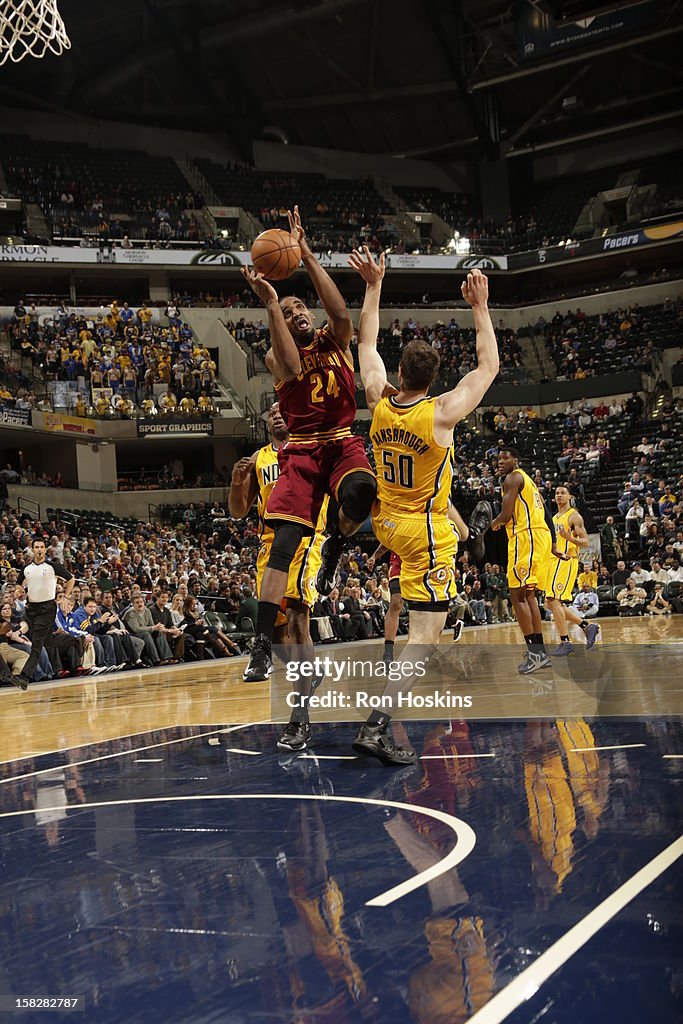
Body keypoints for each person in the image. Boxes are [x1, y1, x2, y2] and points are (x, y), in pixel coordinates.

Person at [349, 251, 499, 765]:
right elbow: (488, 366)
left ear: (399, 372)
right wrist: (479, 306)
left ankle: (382, 717)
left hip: (385, 522)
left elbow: (364, 341)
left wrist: (375, 285)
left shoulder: (378, 400)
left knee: (422, 623)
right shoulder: (441, 414)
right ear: (433, 379)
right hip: (425, 530)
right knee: (425, 639)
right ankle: (377, 726)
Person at [240, 206, 376, 686]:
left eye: (302, 310)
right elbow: (292, 367)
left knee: (362, 492)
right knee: (283, 546)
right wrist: (272, 302)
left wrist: (308, 254)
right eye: (291, 312)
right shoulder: (278, 355)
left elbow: (340, 312)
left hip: (339, 442)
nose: (298, 315)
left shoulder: (335, 339)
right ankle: (260, 646)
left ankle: (338, 541)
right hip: (301, 449)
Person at [229, 402, 326, 751]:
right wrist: (237, 483)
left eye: (283, 409)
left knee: (299, 624)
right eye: (270, 411)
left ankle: (300, 719)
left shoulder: (313, 448)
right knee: (277, 634)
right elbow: (239, 511)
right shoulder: (258, 460)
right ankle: (309, 672)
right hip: (269, 548)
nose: (276, 413)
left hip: (305, 541)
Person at [491, 449, 558, 675]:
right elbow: (548, 514)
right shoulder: (528, 481)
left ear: (515, 460)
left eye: (505, 458)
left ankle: (535, 654)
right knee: (529, 596)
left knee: (516, 595)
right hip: (539, 538)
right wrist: (554, 542)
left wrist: (493, 524)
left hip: (525, 537)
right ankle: (540, 653)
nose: (500, 462)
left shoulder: (513, 478)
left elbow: (506, 515)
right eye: (498, 459)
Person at [545, 486, 600, 656]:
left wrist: (569, 538)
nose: (559, 495)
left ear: (570, 496)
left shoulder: (574, 516)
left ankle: (565, 642)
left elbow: (585, 542)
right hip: (554, 561)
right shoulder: (554, 518)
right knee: (550, 604)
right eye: (557, 493)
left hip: (567, 560)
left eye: (563, 492)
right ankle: (587, 626)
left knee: (554, 601)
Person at [14, 536, 74, 690]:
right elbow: (18, 585)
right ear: (32, 549)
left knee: (36, 644)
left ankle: (24, 677)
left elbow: (71, 579)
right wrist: (18, 590)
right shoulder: (26, 568)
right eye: (37, 547)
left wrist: (66, 596)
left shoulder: (53, 566)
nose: (39, 550)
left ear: (45, 549)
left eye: (42, 547)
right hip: (31, 609)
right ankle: (74, 641)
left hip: (47, 608)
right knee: (47, 641)